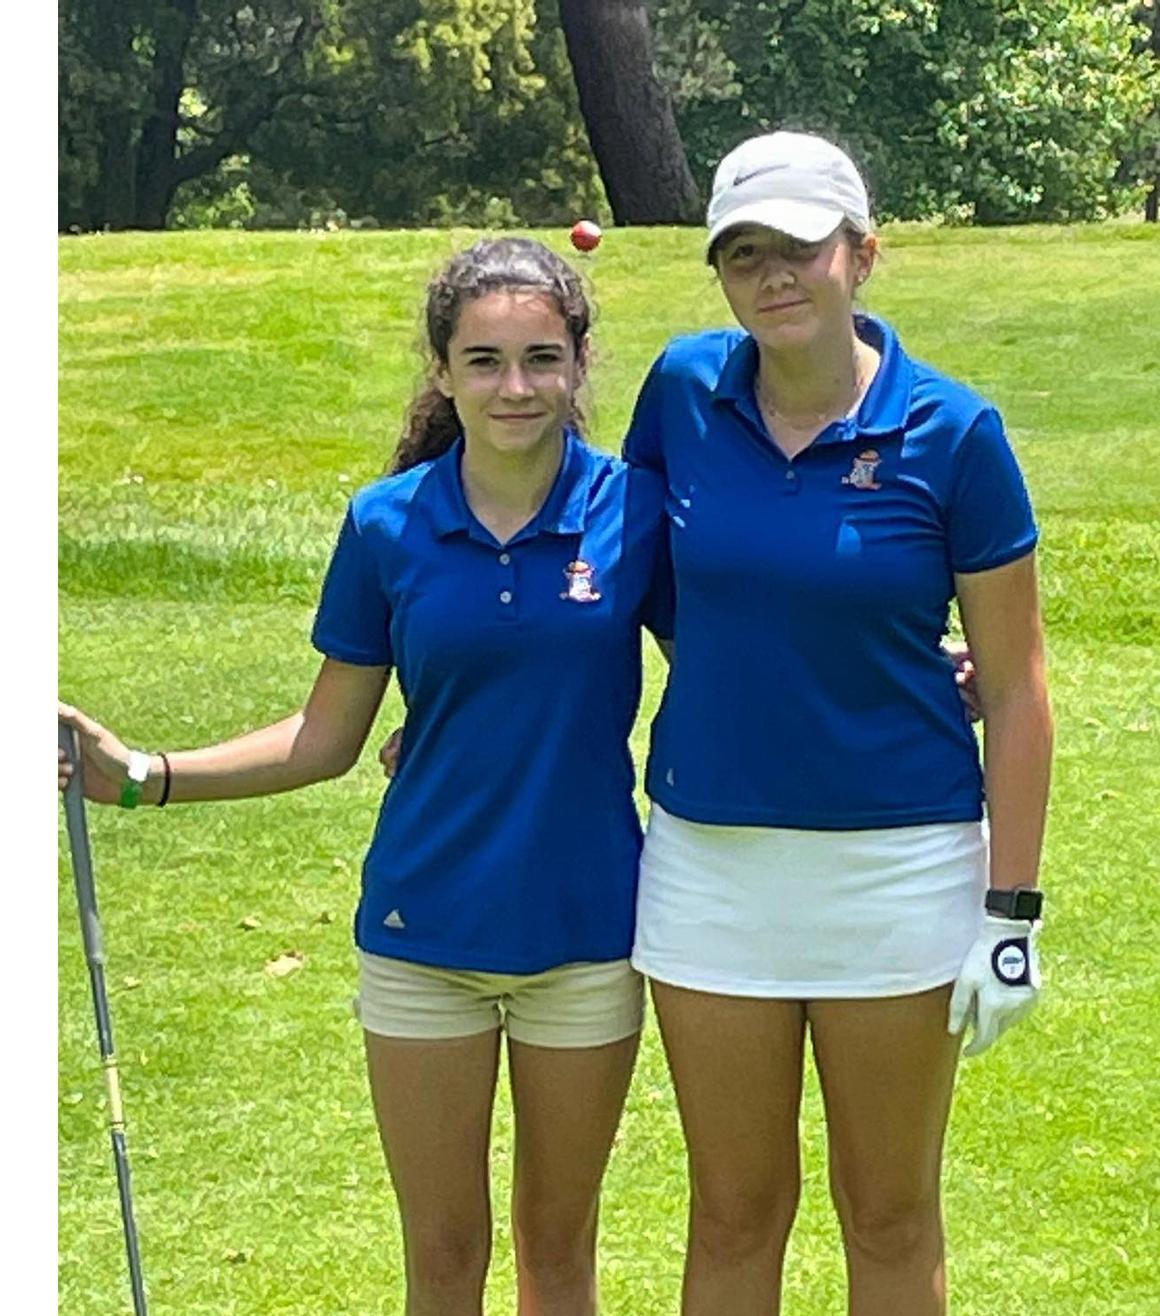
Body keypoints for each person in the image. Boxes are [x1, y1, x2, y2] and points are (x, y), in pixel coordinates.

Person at [58, 237, 674, 1316]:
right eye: (483, 360)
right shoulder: (387, 524)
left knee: (558, 1249)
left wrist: (935, 668)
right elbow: (326, 733)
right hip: (422, 933)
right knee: (441, 1256)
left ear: (580, 363)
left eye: (540, 356)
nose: (515, 386)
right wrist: (146, 774)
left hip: (587, 933)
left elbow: (751, 650)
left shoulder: (635, 512)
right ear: (441, 370)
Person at [617, 131, 1053, 1315]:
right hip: (711, 866)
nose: (774, 277)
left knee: (891, 1211)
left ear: (863, 255)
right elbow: (630, 586)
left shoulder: (955, 434)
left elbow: (1015, 689)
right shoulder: (680, 395)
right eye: (744, 253)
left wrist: (1011, 913)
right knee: (734, 1209)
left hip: (899, 871)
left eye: (801, 249)